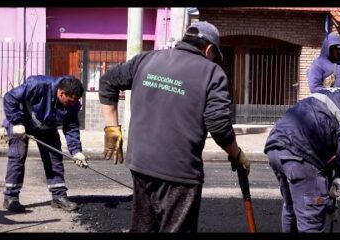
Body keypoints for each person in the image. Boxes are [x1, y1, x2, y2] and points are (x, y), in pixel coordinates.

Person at [99, 21, 250, 232]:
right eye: (215, 54)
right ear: (208, 49)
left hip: (141, 163)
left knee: (143, 228)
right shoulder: (212, 73)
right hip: (178, 171)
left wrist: (112, 128)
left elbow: (107, 81)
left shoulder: (147, 59)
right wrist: (236, 154)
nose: (214, 59)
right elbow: (218, 124)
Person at [264, 87, 340, 232]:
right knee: (310, 223)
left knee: (292, 208)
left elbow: (330, 154)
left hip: (276, 144)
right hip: (301, 150)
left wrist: (329, 202)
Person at [2, 75, 88, 213]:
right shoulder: (38, 85)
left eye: (75, 101)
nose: (73, 104)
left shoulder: (73, 104)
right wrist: (16, 121)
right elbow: (9, 97)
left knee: (55, 158)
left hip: (46, 126)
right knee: (18, 156)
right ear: (61, 93)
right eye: (70, 101)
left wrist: (76, 151)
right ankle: (11, 198)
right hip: (21, 121)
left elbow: (71, 127)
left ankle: (58, 197)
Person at [307, 31, 340, 193]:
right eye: (335, 49)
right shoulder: (318, 65)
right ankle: (325, 179)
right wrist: (332, 90)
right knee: (327, 147)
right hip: (325, 113)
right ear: (327, 48)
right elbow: (314, 88)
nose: (338, 52)